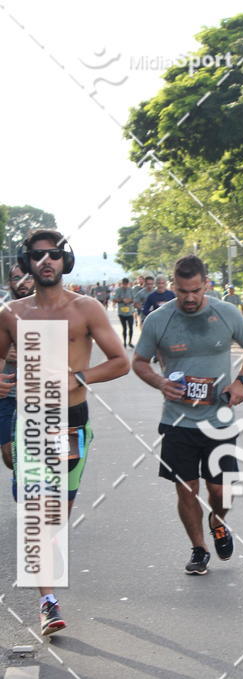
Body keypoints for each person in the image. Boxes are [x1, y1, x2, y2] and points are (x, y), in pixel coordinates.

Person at [0, 229, 129, 635]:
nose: (46, 261)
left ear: (64, 261)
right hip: (32, 421)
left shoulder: (86, 308)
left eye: (54, 255)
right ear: (28, 263)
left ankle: (47, 586)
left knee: (56, 516)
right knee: (37, 515)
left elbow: (120, 362)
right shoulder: (12, 313)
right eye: (38, 256)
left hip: (71, 423)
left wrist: (78, 376)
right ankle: (47, 600)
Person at [132, 254, 243, 576]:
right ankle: (199, 548)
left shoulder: (227, 312)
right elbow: (138, 362)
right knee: (186, 488)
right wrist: (161, 382)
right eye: (181, 291)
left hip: (219, 420)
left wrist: (241, 381)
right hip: (177, 421)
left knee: (220, 489)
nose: (189, 298)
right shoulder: (158, 320)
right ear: (173, 286)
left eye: (195, 290)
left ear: (206, 284)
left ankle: (218, 521)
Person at [0, 264, 34, 469]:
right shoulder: (3, 311)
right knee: (10, 456)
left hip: (43, 395)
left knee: (45, 456)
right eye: (16, 278)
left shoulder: (50, 309)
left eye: (27, 278)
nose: (22, 283)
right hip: (8, 395)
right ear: (9, 282)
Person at [113, 277, 136, 347]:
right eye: (124, 284)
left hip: (130, 312)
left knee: (131, 327)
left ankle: (130, 342)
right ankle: (125, 342)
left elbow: (134, 299)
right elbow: (114, 300)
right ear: (122, 284)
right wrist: (122, 300)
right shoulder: (118, 290)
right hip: (121, 312)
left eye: (126, 284)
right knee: (124, 328)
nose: (125, 285)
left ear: (128, 284)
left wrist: (129, 300)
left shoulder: (131, 290)